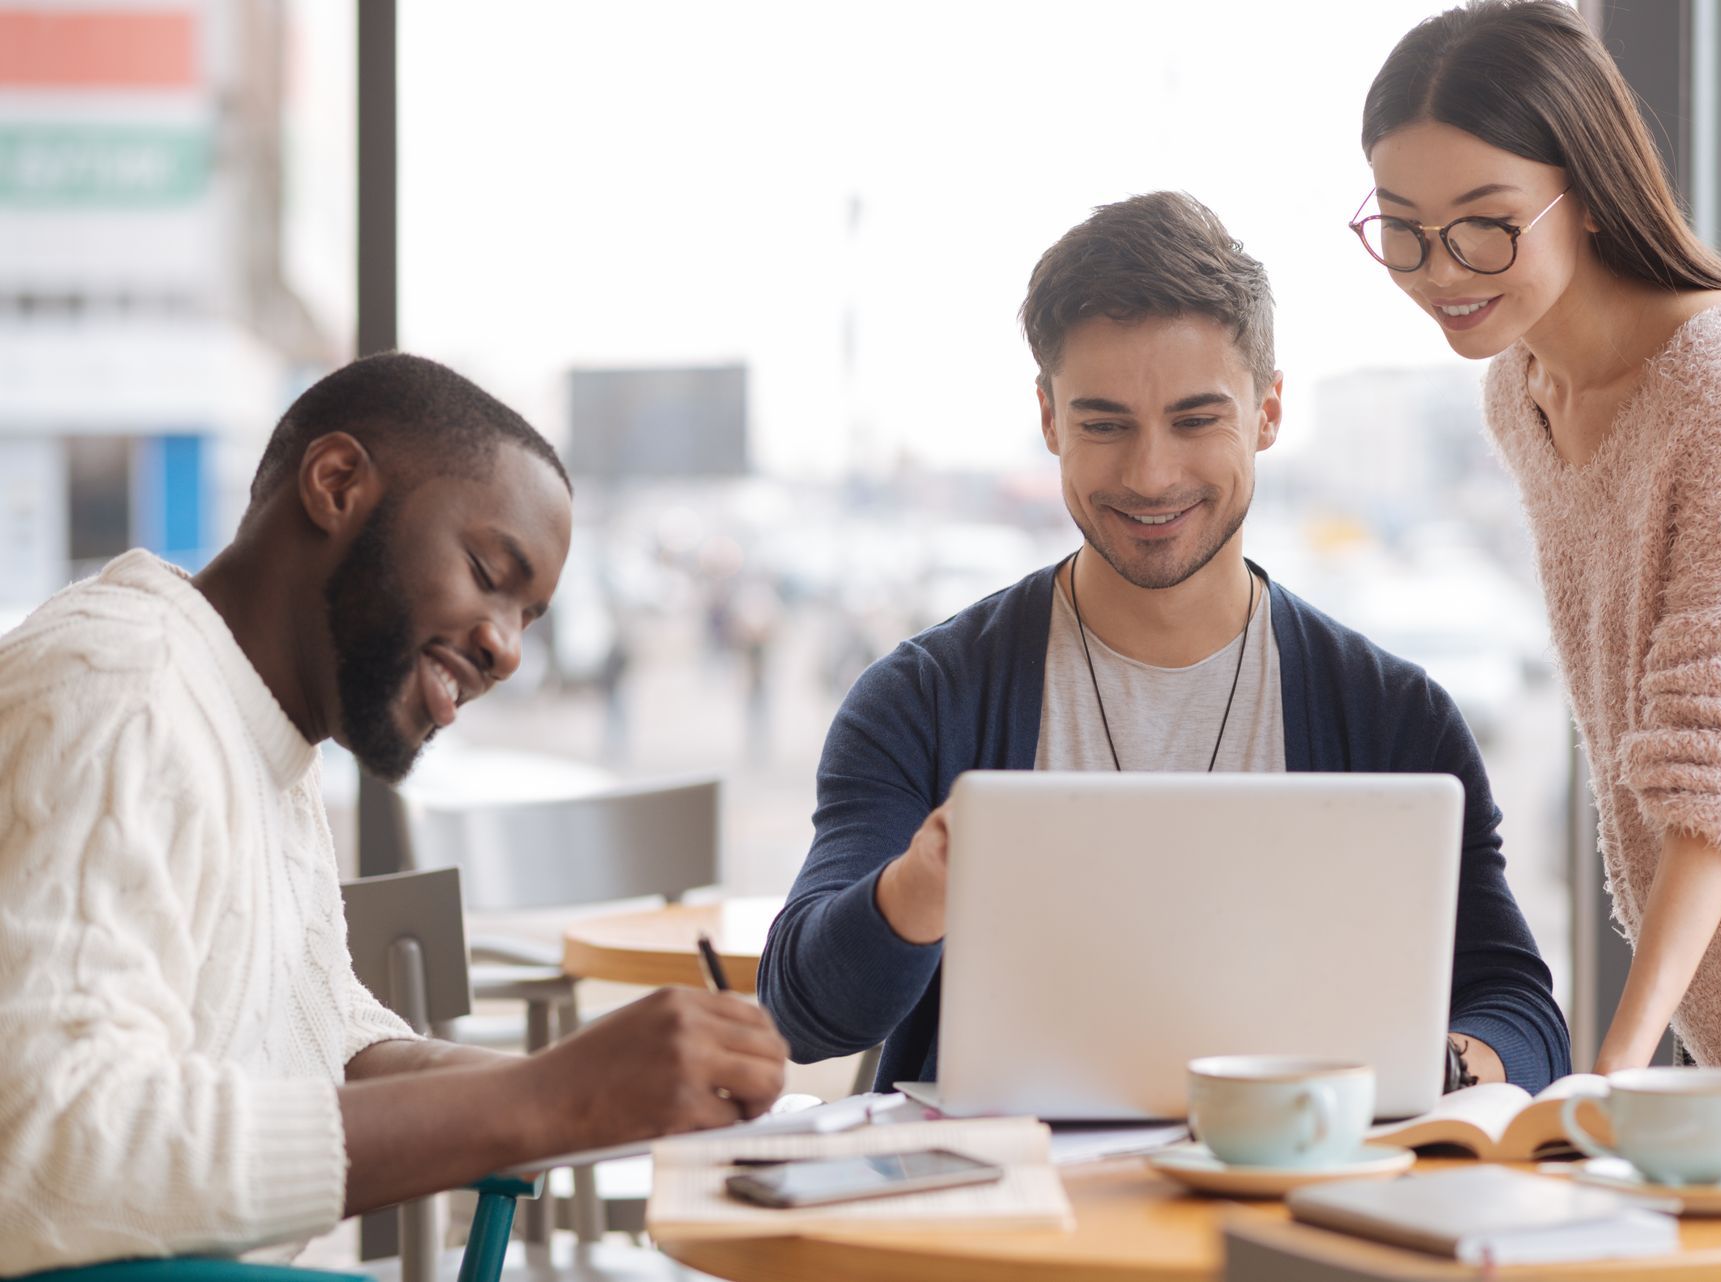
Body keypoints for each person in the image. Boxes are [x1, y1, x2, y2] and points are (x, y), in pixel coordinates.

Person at [758, 192, 1571, 1099]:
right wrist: (919, 887)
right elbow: (799, 1011)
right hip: (1008, 1221)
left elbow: (1521, 1011)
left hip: (1291, 1215)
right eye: (1104, 424)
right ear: (1049, 419)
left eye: (1195, 421)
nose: (1151, 475)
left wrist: (1448, 1067)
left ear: (1267, 414)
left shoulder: (1392, 716)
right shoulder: (924, 700)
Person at [0, 353, 787, 1273]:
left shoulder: (260, 741)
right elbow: (48, 1144)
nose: (507, 651)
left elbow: (325, 1036)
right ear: (335, 484)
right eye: (490, 571)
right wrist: (543, 1102)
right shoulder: (125, 690)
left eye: (529, 617)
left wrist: (600, 1087)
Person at [1357, 0, 1721, 1135]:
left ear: (1588, 192)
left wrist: (1615, 1065)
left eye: (1485, 223)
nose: (1439, 270)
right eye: (1403, 228)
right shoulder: (1522, 393)